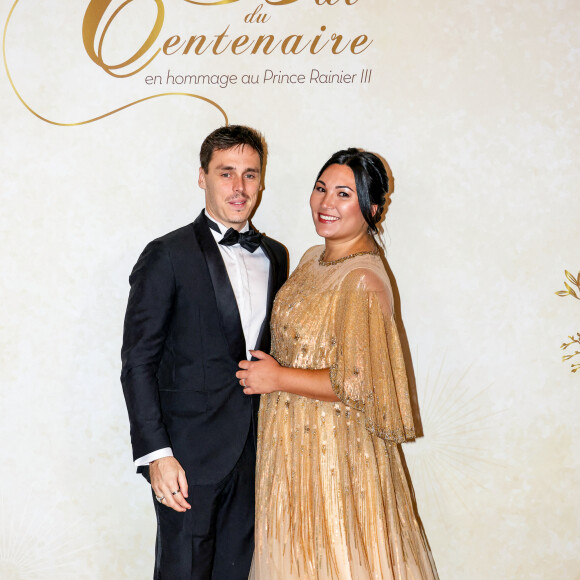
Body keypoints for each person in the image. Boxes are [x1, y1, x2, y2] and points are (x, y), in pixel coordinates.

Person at [237, 148, 439, 579]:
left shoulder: (362, 279)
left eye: (344, 194)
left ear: (373, 207)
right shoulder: (313, 257)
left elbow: (358, 382)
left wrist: (275, 377)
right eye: (321, 188)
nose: (326, 203)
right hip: (290, 445)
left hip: (336, 454)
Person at [121, 125, 288, 579]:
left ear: (262, 181)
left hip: (256, 452)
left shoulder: (276, 255)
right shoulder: (166, 255)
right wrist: (157, 455)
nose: (239, 187)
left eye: (250, 175)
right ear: (202, 177)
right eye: (226, 173)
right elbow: (138, 363)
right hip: (188, 457)